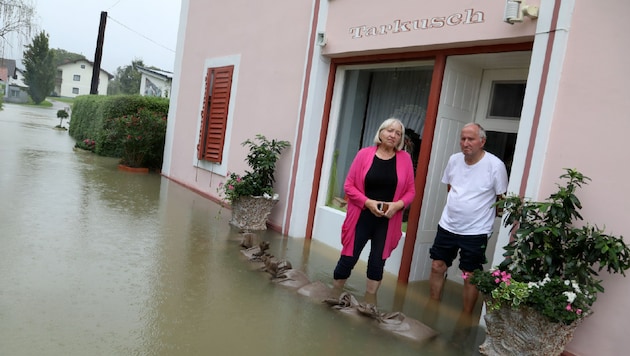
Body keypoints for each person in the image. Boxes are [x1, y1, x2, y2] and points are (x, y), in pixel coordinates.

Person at [332, 118, 416, 305]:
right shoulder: (364, 154)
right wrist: (368, 202)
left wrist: (397, 205)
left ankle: (368, 305)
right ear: (380, 132)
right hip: (361, 217)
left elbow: (411, 191)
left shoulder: (405, 159)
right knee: (347, 260)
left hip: (387, 221)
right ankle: (333, 297)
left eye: (398, 133)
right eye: (389, 130)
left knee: (377, 265)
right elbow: (349, 186)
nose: (393, 135)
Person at [429, 122, 508, 314]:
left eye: (470, 139)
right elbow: (451, 188)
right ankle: (432, 308)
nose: (465, 143)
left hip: (476, 231)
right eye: (463, 138)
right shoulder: (454, 160)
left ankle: (465, 317)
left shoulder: (495, 165)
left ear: (482, 141)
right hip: (447, 225)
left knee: (470, 275)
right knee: (437, 266)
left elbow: (501, 199)